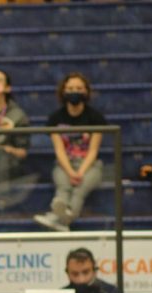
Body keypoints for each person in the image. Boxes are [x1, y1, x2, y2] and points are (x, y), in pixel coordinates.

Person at [34, 72, 106, 232]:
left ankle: (58, 217)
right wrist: (70, 171)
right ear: (63, 91)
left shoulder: (96, 118)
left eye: (79, 88)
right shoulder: (55, 118)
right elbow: (59, 150)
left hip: (90, 165)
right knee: (63, 187)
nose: (74, 91)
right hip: (64, 163)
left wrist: (80, 172)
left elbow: (93, 150)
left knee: (80, 190)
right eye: (70, 88)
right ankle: (63, 220)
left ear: (86, 92)